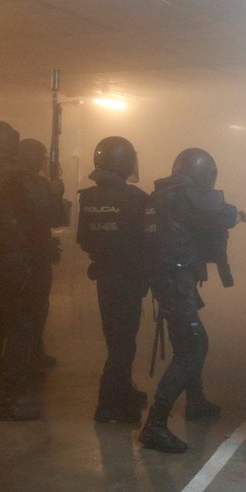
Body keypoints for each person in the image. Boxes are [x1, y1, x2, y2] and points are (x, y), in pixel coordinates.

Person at [139, 148, 246, 453]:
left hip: (168, 281)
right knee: (193, 346)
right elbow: (217, 211)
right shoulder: (181, 195)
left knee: (187, 342)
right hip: (175, 282)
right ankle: (155, 426)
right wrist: (235, 215)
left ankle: (196, 402)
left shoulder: (159, 196)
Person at [76, 136, 149, 424]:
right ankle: (108, 404)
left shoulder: (89, 198)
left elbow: (84, 239)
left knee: (115, 338)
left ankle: (123, 391)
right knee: (124, 342)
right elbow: (147, 240)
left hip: (104, 277)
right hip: (128, 278)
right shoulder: (136, 199)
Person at [0, 120, 43, 421]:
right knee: (19, 327)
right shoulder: (17, 177)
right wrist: (52, 188)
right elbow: (46, 212)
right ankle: (10, 397)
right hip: (12, 260)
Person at [18, 138, 67, 372]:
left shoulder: (10, 181)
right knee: (35, 308)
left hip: (16, 254)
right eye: (39, 156)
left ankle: (32, 353)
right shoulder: (35, 183)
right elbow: (54, 218)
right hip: (33, 255)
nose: (42, 161)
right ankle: (30, 357)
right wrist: (56, 194)